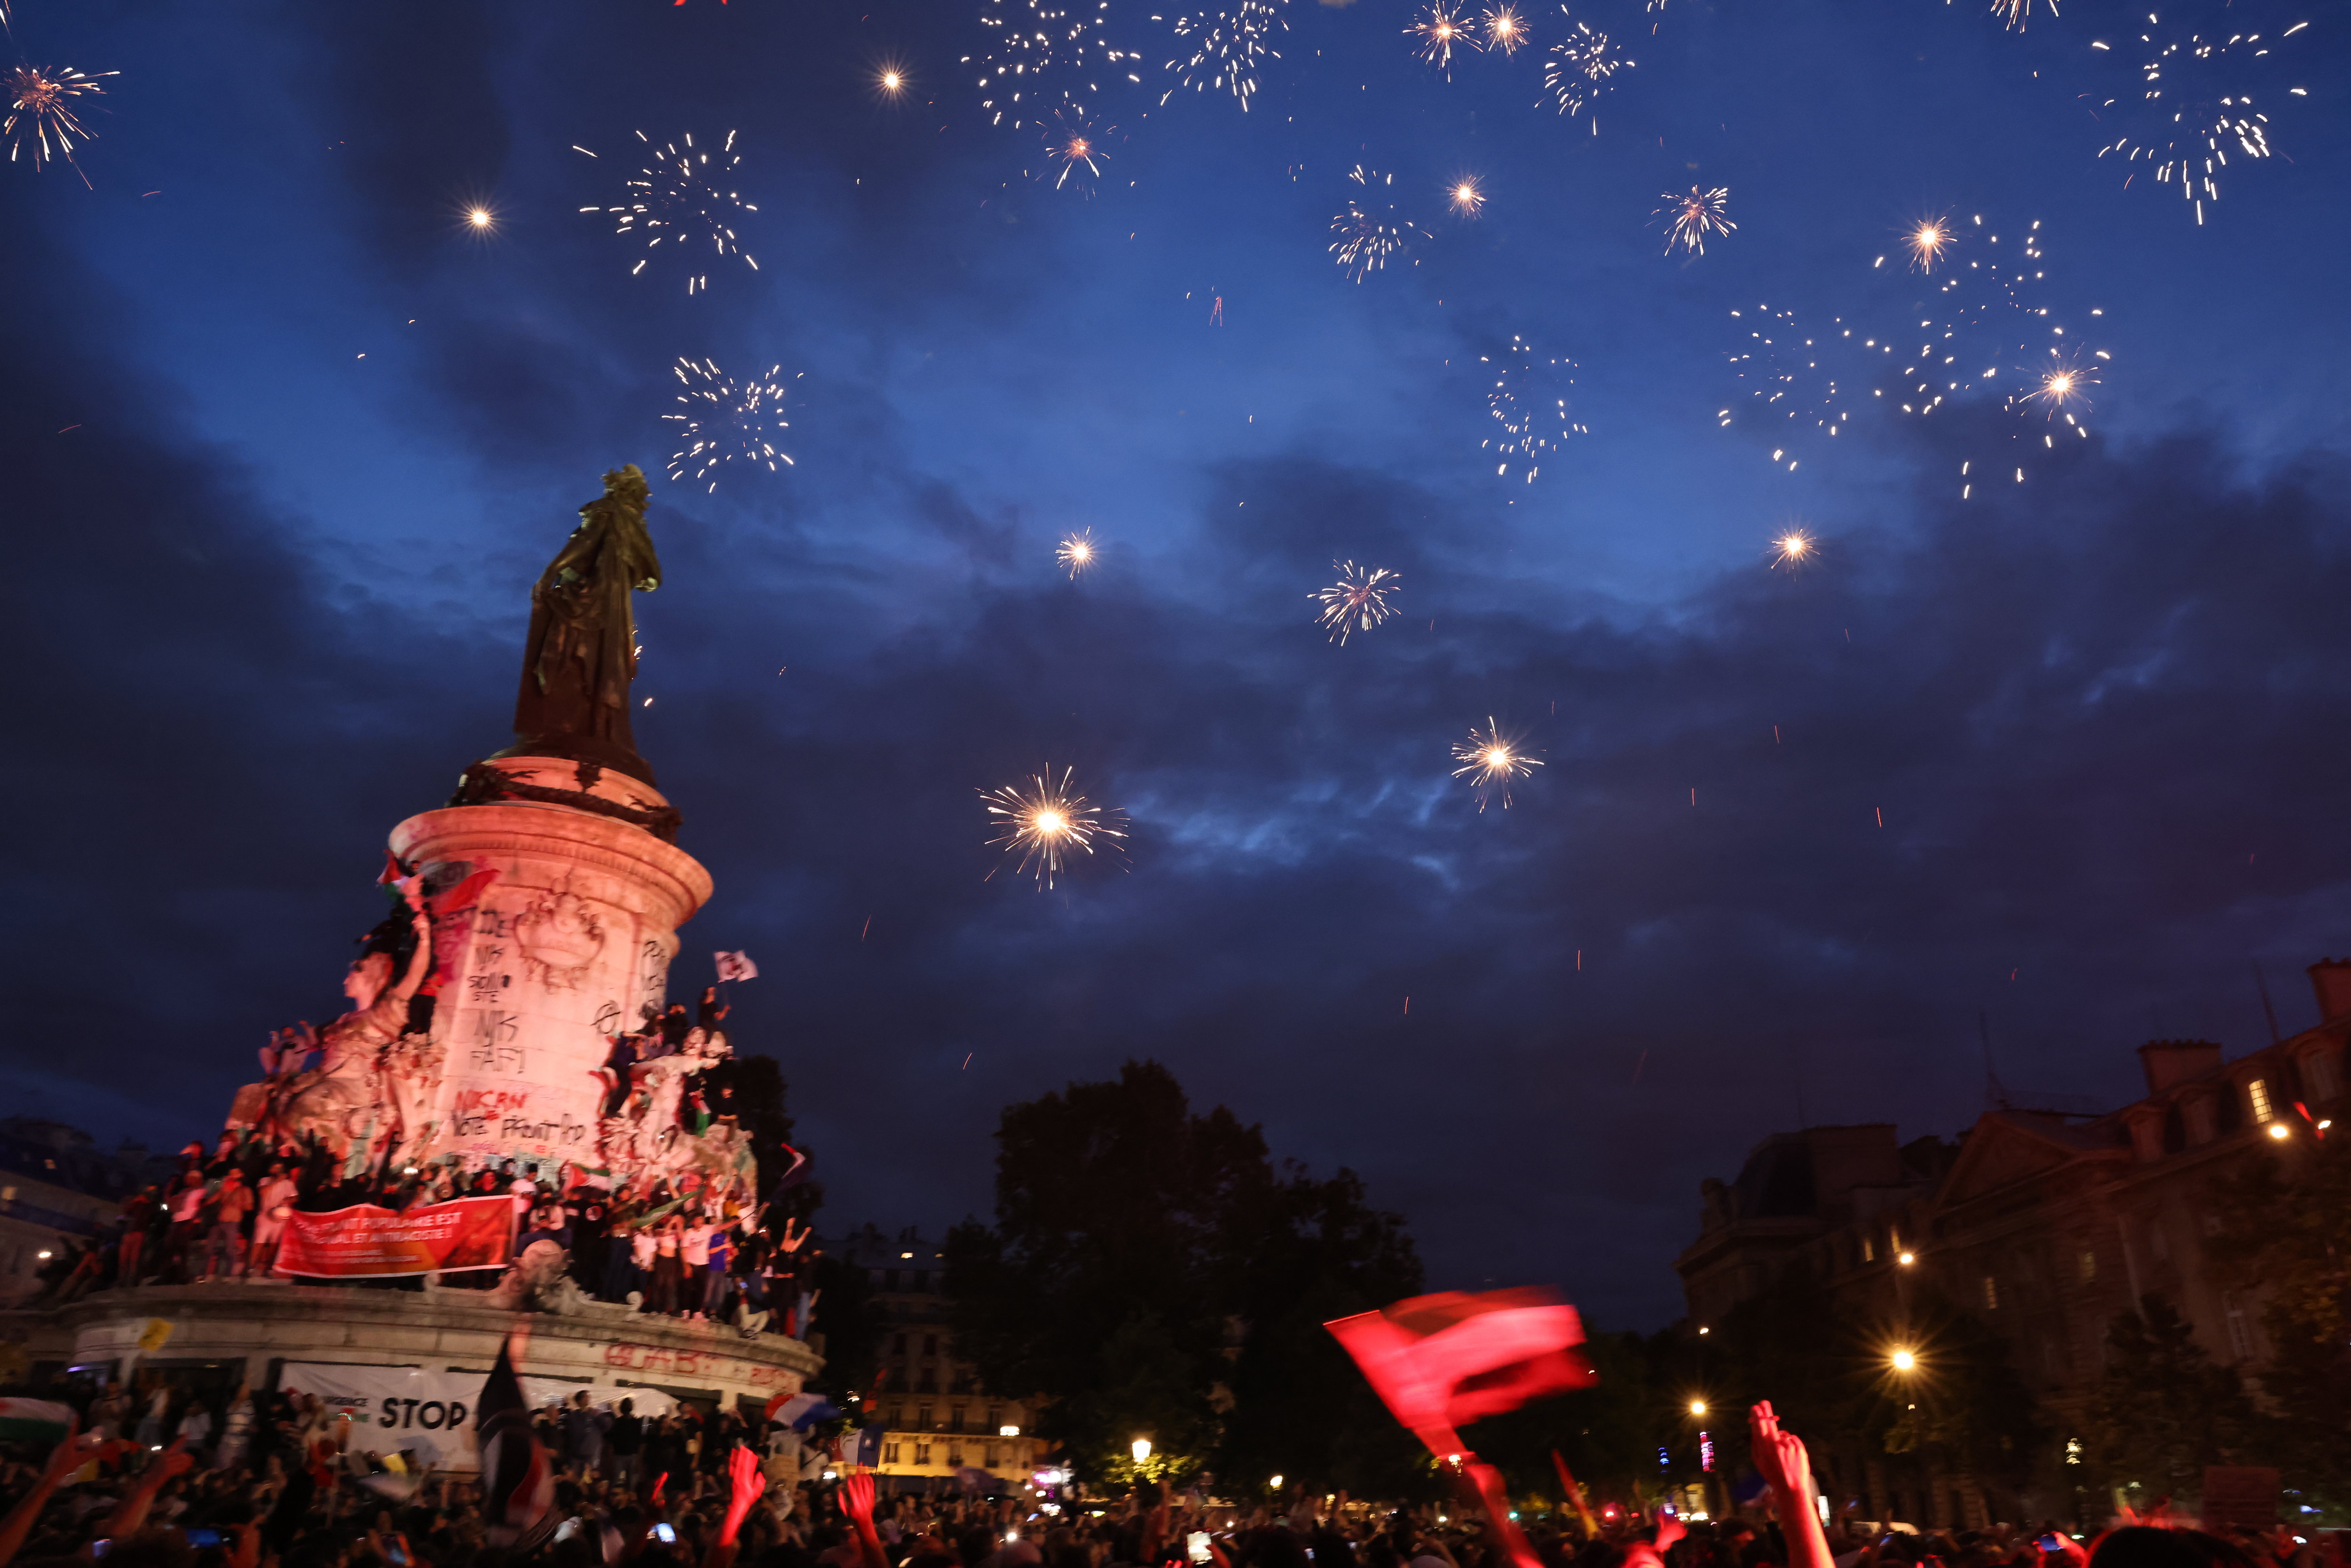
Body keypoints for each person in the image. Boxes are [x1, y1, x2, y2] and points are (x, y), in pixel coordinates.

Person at [200, 1167, 254, 1282]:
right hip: (219, 1221)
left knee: (230, 1249)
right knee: (209, 1248)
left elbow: (250, 1207)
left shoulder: (245, 1190)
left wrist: (239, 1202)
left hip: (233, 1221)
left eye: (234, 1174)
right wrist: (203, 1203)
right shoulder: (225, 1187)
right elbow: (213, 1199)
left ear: (240, 1175)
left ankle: (228, 1275)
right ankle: (204, 1274)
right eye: (230, 1173)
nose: (232, 1175)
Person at [607, 1395, 645, 1489]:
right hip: (623, 1455)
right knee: (619, 1481)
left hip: (626, 1455)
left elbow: (639, 1441)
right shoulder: (621, 1422)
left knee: (626, 1482)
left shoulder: (621, 1422)